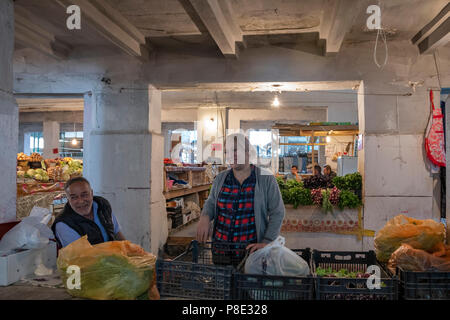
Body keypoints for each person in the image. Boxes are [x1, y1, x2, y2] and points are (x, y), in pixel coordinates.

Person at [196, 133, 285, 262]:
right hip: (221, 250)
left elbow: (277, 212)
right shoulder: (221, 178)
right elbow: (211, 202)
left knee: (248, 282)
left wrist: (267, 241)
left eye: (235, 150)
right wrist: (205, 217)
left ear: (248, 152)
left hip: (252, 253)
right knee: (222, 282)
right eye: (227, 151)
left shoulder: (266, 179)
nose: (231, 155)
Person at [51, 177, 126, 247]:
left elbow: (117, 234)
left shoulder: (102, 206)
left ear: (92, 193)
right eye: (74, 197)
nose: (80, 201)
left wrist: (132, 253)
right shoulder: (63, 224)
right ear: (68, 199)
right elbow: (81, 257)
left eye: (84, 195)